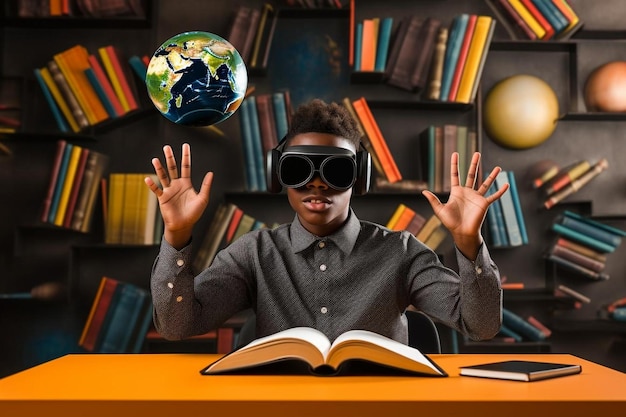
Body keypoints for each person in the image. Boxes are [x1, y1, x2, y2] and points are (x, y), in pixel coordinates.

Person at [145, 99, 508, 345]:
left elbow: (481, 325)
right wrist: (177, 235)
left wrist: (468, 243)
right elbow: (177, 328)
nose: (317, 182)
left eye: (335, 169)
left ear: (360, 177)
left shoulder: (399, 252)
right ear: (278, 176)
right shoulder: (254, 253)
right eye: (298, 168)